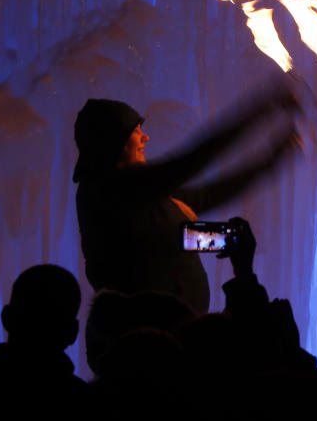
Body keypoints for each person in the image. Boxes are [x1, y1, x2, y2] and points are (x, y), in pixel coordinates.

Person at [73, 82, 300, 314]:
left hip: (176, 332)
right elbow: (189, 164)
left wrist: (226, 238)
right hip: (153, 338)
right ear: (113, 141)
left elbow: (179, 227)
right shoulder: (110, 189)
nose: (145, 138)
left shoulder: (133, 196)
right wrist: (261, 110)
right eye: (135, 131)